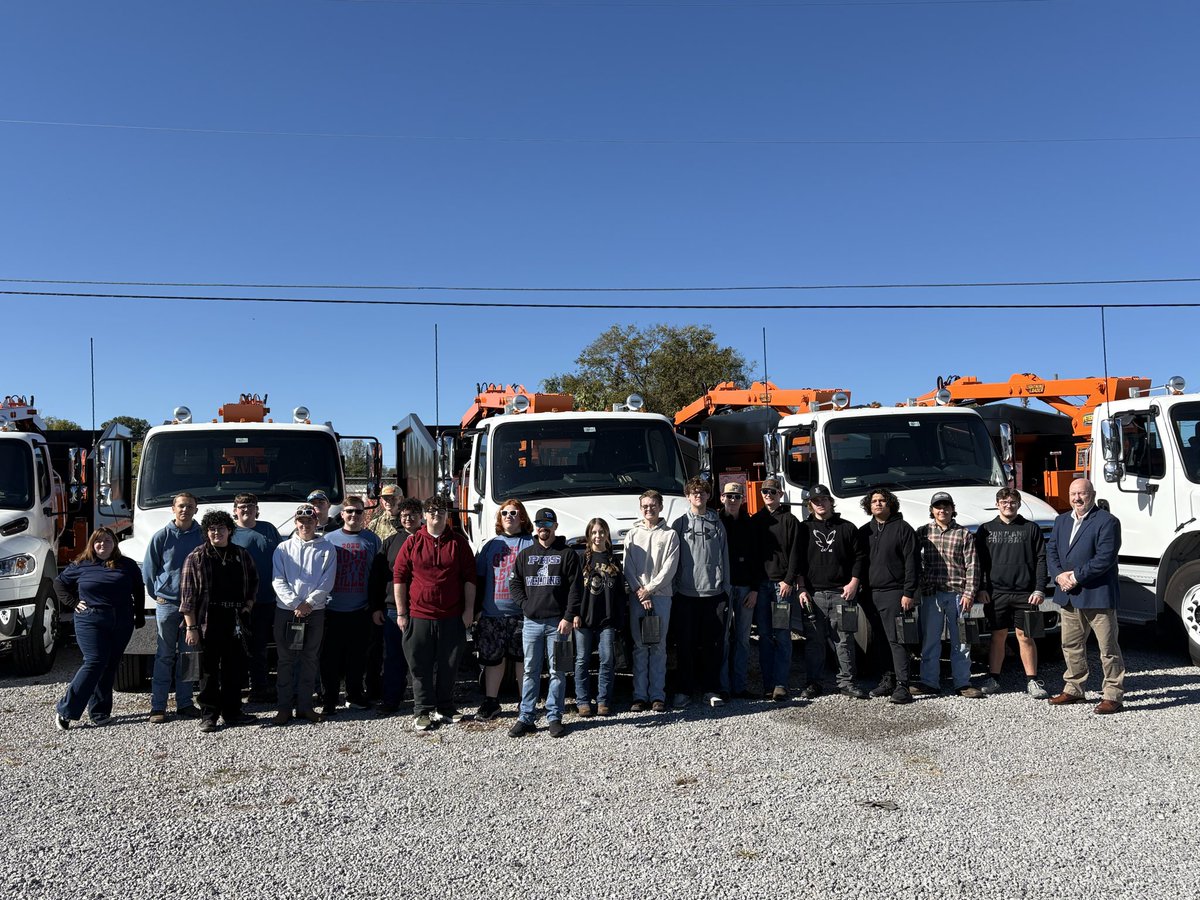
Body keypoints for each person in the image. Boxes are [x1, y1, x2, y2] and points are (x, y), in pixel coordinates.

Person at [393, 495, 477, 731]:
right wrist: (402, 612)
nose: (436, 514)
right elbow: (399, 578)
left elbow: (470, 578)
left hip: (451, 616)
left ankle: (445, 707)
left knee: (449, 665)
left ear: (447, 514)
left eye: (440, 510)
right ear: (425, 515)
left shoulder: (458, 543)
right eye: (431, 511)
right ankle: (422, 710)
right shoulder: (412, 542)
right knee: (419, 665)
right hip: (419, 615)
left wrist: (469, 610)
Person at [52, 528, 145, 730]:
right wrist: (72, 602)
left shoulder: (127, 565)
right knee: (95, 661)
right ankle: (66, 710)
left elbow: (138, 589)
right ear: (92, 544)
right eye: (99, 541)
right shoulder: (81, 564)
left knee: (110, 664)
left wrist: (139, 615)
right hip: (90, 619)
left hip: (121, 619)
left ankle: (100, 713)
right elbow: (59, 584)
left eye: (108, 541)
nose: (103, 544)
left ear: (115, 543)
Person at [1046, 478, 1125, 714]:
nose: (1077, 498)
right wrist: (1059, 576)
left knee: (1108, 648)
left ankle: (1113, 695)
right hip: (1069, 596)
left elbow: (1105, 558)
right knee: (1070, 645)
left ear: (1092, 494)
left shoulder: (1107, 521)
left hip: (1097, 595)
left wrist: (1075, 577)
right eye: (1073, 494)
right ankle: (1074, 689)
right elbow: (1051, 550)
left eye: (1082, 493)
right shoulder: (1061, 520)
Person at [180, 510, 259, 732]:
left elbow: (254, 582)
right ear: (206, 532)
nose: (217, 532)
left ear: (230, 530)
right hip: (207, 620)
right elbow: (187, 597)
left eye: (221, 528)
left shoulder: (241, 555)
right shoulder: (196, 557)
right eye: (212, 529)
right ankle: (209, 715)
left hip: (235, 619)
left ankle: (233, 712)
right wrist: (191, 627)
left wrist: (248, 606)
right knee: (208, 671)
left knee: (235, 668)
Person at [507, 508, 582, 738]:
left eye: (548, 524)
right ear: (535, 526)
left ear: (555, 527)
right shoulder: (525, 555)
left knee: (557, 671)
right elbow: (515, 583)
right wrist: (525, 606)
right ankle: (526, 717)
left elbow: (576, 589)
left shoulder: (567, 554)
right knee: (529, 670)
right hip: (531, 623)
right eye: (540, 523)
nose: (543, 528)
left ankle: (554, 717)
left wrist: (568, 617)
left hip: (558, 624)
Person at [975, 487, 1049, 699]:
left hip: (1025, 593)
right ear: (997, 504)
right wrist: (980, 588)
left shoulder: (1030, 528)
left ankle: (1032, 680)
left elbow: (1041, 560)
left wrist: (1040, 588)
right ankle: (994, 678)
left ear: (1019, 504)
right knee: (997, 636)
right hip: (996, 593)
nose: (1009, 505)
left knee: (1025, 636)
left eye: (1013, 502)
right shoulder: (985, 530)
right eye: (1004, 502)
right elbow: (978, 562)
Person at [268, 503, 337, 726]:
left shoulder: (327, 548)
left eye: (309, 521)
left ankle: (305, 707)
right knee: (286, 660)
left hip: (314, 612)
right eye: (301, 521)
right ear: (295, 523)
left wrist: (308, 603)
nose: (305, 525)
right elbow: (278, 580)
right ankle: (283, 708)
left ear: (316, 522)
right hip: (286, 612)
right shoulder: (283, 549)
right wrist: (296, 603)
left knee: (309, 659)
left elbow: (328, 581)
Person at [797, 484, 868, 699]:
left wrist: (854, 582)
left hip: (842, 593)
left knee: (844, 639)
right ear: (810, 505)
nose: (820, 504)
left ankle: (847, 682)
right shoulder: (803, 529)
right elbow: (797, 561)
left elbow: (860, 558)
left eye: (824, 500)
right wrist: (801, 588)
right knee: (814, 642)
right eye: (816, 501)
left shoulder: (846, 528)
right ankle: (814, 683)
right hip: (813, 595)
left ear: (831, 502)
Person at [912, 492, 984, 699]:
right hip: (931, 595)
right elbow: (914, 561)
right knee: (930, 640)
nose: (942, 510)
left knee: (961, 641)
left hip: (958, 595)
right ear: (932, 510)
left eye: (946, 506)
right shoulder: (923, 532)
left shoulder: (964, 534)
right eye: (938, 506)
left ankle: (962, 683)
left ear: (953, 509)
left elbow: (972, 566)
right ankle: (929, 682)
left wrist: (970, 593)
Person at [670, 477, 731, 708]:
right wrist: (675, 587)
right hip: (686, 594)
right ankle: (684, 690)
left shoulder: (717, 524)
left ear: (708, 496)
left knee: (712, 646)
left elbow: (725, 555)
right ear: (687, 496)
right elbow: (673, 558)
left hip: (713, 594)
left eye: (703, 492)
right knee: (685, 645)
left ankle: (711, 690)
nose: (699, 496)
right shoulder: (679, 524)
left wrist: (725, 587)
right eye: (694, 492)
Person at [144, 492, 205, 724]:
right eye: (181, 506)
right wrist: (161, 595)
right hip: (167, 605)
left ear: (195, 510)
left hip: (194, 607)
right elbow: (149, 573)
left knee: (189, 656)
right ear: (173, 509)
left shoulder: (202, 536)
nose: (185, 510)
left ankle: (185, 703)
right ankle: (158, 707)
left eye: (190, 506)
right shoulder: (161, 537)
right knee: (164, 656)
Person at [320, 495, 382, 716]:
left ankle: (355, 695)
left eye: (358, 511)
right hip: (333, 608)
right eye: (349, 511)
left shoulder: (372, 540)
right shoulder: (329, 539)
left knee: (358, 657)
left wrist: (375, 606)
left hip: (361, 609)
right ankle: (329, 699)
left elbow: (377, 575)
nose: (354, 515)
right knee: (330, 657)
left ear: (363, 514)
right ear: (342, 514)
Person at [473, 499, 535, 721]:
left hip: (523, 614)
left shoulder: (532, 544)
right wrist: (476, 609)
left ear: (523, 517)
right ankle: (491, 702)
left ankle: (524, 702)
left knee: (523, 660)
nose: (509, 516)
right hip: (492, 614)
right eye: (505, 513)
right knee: (492, 660)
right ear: (500, 518)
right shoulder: (490, 546)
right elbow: (479, 579)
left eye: (514, 513)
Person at [859, 488, 919, 705]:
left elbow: (913, 564)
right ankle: (888, 679)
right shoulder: (865, 530)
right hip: (871, 594)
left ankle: (903, 685)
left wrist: (908, 592)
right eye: (874, 501)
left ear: (890, 504)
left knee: (897, 640)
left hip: (895, 593)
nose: (878, 504)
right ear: (869, 505)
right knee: (880, 640)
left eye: (882, 500)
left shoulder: (903, 529)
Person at [624, 489, 680, 713]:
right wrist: (640, 591)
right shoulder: (632, 534)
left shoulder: (670, 535)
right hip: (638, 597)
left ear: (661, 507)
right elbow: (627, 566)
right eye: (645, 506)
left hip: (661, 596)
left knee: (658, 647)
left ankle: (657, 695)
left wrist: (650, 589)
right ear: (640, 508)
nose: (649, 509)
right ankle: (639, 695)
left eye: (653, 505)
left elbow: (670, 567)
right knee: (639, 647)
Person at [751, 478, 803, 702]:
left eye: (772, 491)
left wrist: (789, 580)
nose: (768, 495)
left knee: (782, 635)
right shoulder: (756, 520)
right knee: (764, 636)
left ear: (781, 494)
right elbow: (753, 558)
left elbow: (795, 553)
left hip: (781, 586)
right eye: (764, 491)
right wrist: (754, 586)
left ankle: (781, 683)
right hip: (762, 586)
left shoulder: (790, 520)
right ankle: (768, 683)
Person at [229, 493, 282, 703]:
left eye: (251, 505)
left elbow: (283, 556)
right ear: (235, 510)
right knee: (241, 648)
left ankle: (262, 687)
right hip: (241, 601)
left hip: (269, 598)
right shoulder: (229, 532)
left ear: (256, 509)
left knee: (262, 646)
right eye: (242, 506)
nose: (246, 509)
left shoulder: (268, 529)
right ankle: (240, 689)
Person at [573, 518, 627, 717]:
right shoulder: (581, 559)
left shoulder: (613, 560)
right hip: (584, 619)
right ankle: (583, 701)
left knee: (606, 659)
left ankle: (603, 700)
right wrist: (574, 613)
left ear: (607, 534)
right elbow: (574, 590)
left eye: (601, 532)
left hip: (607, 620)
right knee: (582, 660)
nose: (598, 536)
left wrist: (619, 618)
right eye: (594, 532)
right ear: (589, 535)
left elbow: (620, 592)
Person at [375, 497, 423, 715]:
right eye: (404, 515)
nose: (408, 519)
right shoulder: (391, 542)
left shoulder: (429, 540)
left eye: (412, 514)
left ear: (420, 517)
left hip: (422, 609)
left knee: (421, 657)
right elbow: (377, 576)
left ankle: (423, 702)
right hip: (393, 609)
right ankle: (391, 700)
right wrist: (376, 607)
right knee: (393, 657)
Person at [718, 482, 761, 701]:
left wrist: (754, 590)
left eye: (736, 496)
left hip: (745, 588)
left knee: (743, 639)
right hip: (723, 588)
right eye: (729, 496)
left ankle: (740, 685)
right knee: (723, 638)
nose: (733, 500)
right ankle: (723, 686)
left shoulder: (750, 523)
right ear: (722, 497)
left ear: (742, 499)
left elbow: (757, 559)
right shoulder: (715, 521)